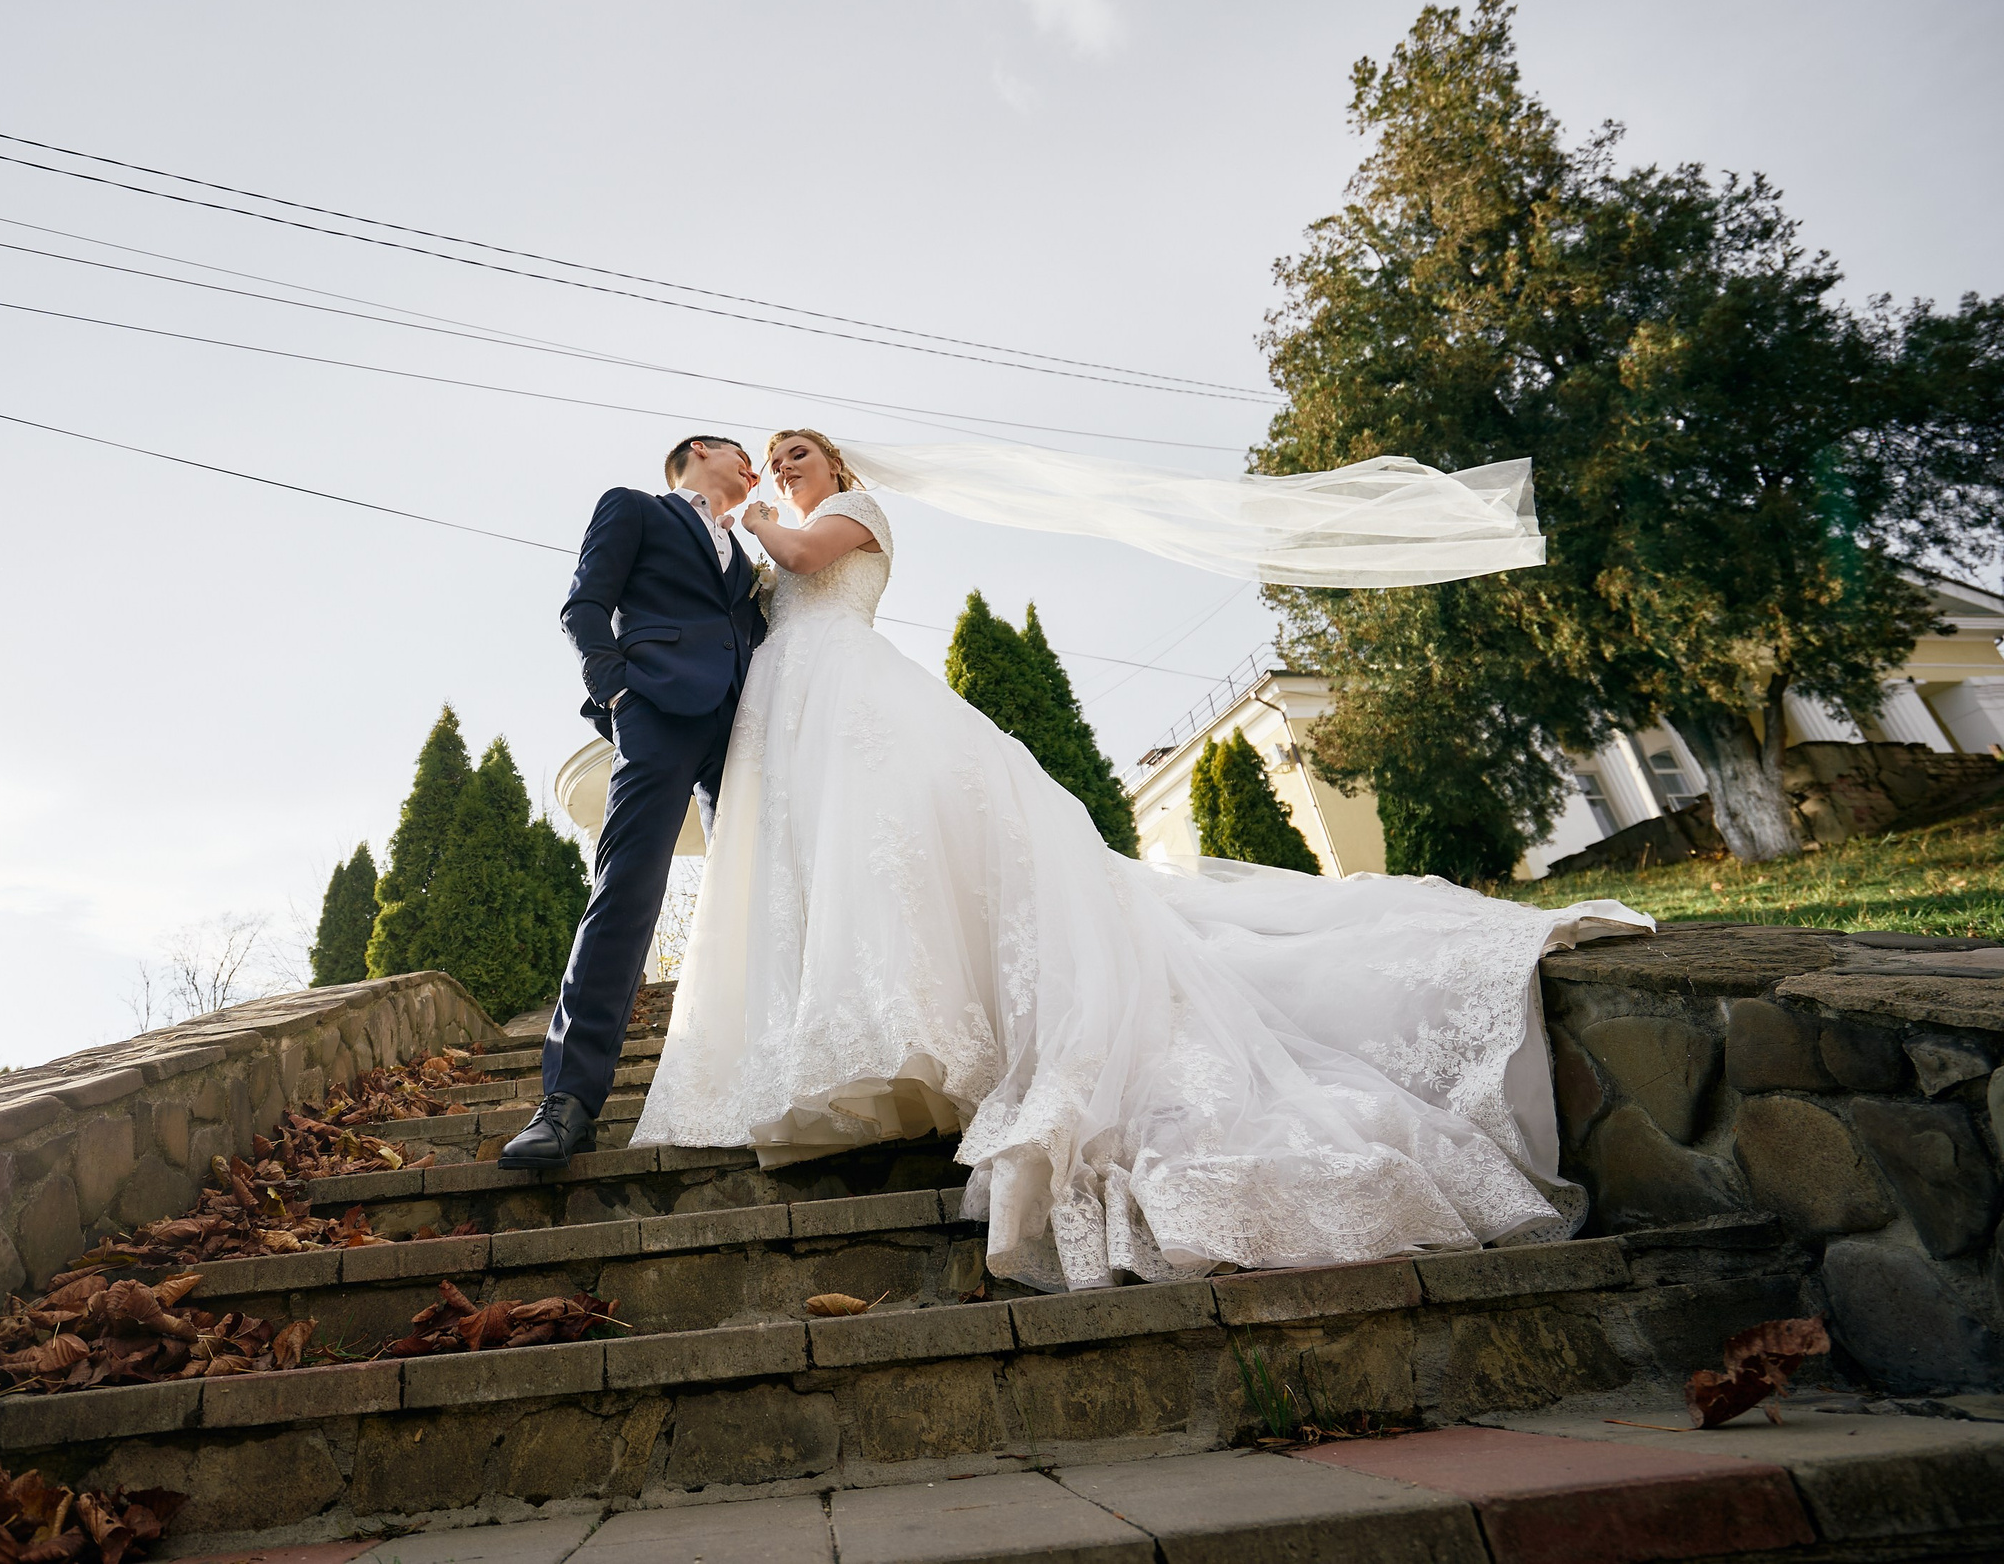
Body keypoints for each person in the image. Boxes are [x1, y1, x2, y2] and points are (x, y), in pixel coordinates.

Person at [629, 427, 1648, 1290]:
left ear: (834, 464)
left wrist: (749, 519)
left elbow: (807, 563)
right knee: (839, 876)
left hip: (854, 695)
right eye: (773, 455)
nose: (783, 460)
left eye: (796, 449)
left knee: (900, 855)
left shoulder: (848, 517)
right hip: (791, 710)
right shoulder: (771, 540)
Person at [502, 436, 768, 1169]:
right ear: (701, 451)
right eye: (743, 451)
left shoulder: (746, 555)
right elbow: (584, 604)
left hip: (742, 727)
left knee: (748, 894)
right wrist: (616, 691)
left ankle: (755, 1079)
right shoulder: (635, 508)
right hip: (655, 707)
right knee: (626, 889)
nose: (755, 467)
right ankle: (567, 1102)